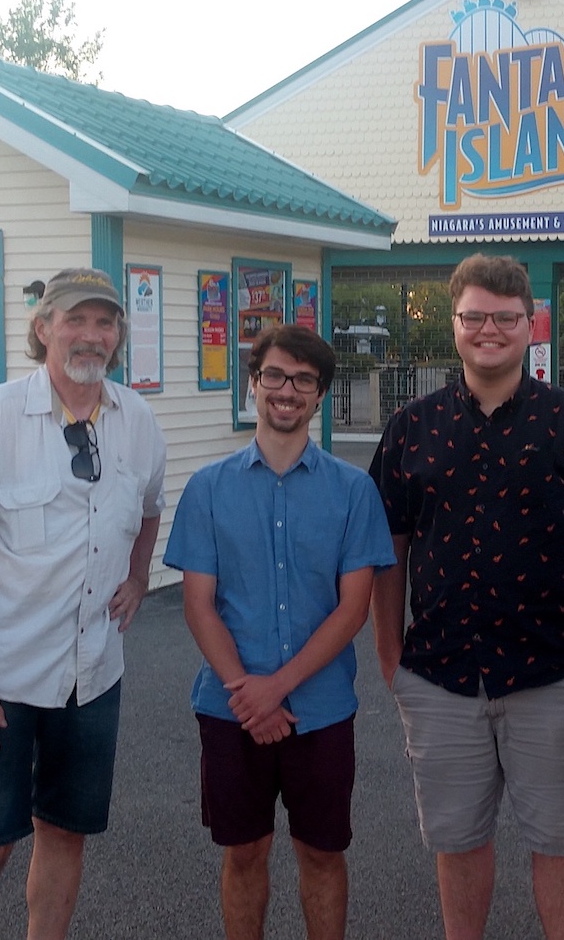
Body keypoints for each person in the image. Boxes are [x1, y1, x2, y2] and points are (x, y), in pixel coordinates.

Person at [369, 254, 564, 940]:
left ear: (531, 325)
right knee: (458, 841)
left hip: (555, 674)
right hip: (440, 675)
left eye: (505, 318)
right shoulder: (411, 428)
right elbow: (389, 548)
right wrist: (390, 657)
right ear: (454, 323)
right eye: (474, 316)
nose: (489, 330)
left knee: (563, 842)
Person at [0, 267, 167, 940]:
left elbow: (149, 508)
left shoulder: (136, 419)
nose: (91, 335)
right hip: (2, 678)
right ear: (43, 330)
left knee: (64, 837)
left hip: (92, 676)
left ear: (118, 335)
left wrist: (138, 576)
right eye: (75, 320)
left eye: (105, 322)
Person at [164, 325, 395, 940]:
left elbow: (353, 610)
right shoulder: (208, 488)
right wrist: (250, 693)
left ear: (320, 394)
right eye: (274, 375)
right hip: (230, 709)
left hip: (321, 711)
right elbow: (199, 606)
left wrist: (277, 689)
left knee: (321, 854)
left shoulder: (354, 492)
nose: (286, 390)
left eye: (303, 380)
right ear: (253, 382)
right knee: (244, 852)